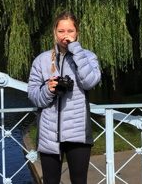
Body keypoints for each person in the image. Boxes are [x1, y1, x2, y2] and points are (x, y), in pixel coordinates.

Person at [28, 11, 101, 184]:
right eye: (61, 31)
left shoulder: (88, 57)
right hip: (48, 134)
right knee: (50, 181)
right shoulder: (42, 60)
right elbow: (32, 95)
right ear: (55, 32)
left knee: (79, 180)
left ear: (77, 33)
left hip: (78, 132)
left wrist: (76, 50)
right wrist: (48, 90)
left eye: (70, 31)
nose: (65, 36)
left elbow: (90, 82)